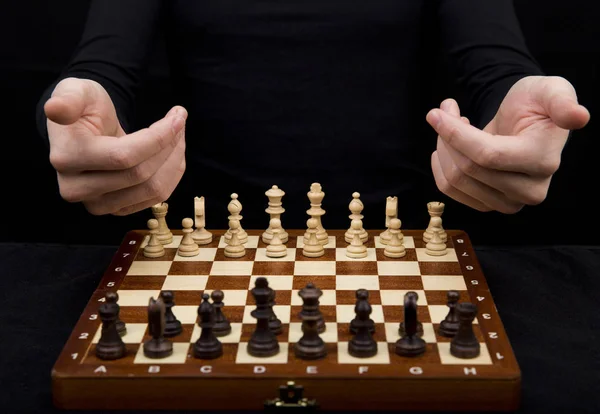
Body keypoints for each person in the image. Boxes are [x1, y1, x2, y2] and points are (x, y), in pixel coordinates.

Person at [36, 0, 589, 231]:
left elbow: (497, 69)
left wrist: (522, 100)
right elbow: (100, 72)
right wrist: (77, 114)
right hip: (204, 236)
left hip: (402, 234)